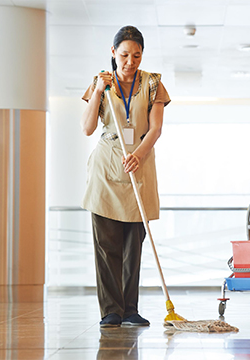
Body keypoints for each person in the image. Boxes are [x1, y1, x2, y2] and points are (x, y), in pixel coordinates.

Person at [80, 25, 170, 328]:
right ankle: (111, 310)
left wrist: (139, 155)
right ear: (113, 53)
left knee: (134, 246)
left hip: (139, 166)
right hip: (107, 168)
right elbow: (88, 127)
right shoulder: (100, 83)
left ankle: (130, 309)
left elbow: (155, 128)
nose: (130, 61)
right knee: (107, 248)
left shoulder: (153, 83)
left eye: (136, 55)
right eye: (124, 55)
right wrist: (97, 93)